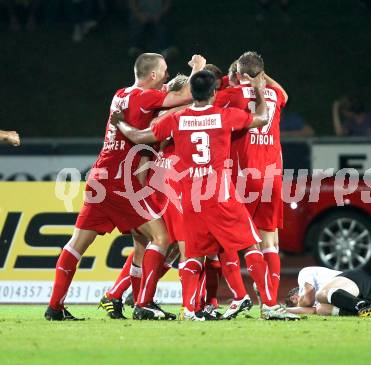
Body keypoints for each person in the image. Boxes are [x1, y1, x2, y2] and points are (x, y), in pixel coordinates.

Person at [111, 70, 299, 321]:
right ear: (213, 93)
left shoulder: (177, 118)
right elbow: (262, 118)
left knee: (191, 254)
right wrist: (256, 92)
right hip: (220, 195)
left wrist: (120, 122)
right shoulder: (224, 116)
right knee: (251, 246)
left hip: (190, 199)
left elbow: (139, 136)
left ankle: (189, 309)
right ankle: (269, 305)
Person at [44, 52, 206, 321]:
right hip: (122, 183)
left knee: (77, 245)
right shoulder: (145, 97)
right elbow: (186, 96)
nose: (166, 76)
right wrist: (198, 70)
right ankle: (143, 303)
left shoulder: (121, 94)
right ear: (152, 75)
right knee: (162, 238)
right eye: (164, 71)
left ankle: (55, 307)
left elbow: (166, 98)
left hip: (100, 176)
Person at [213, 51, 288, 308]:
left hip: (242, 176)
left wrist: (227, 79)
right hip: (271, 177)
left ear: (239, 75)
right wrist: (261, 77)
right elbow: (285, 93)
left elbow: (204, 99)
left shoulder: (232, 96)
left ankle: (239, 297)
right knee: (270, 241)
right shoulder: (275, 96)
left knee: (229, 238)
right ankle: (270, 300)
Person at [285, 266, 371, 317]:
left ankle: (365, 306)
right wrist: (283, 310)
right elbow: (312, 310)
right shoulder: (319, 304)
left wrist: (283, 309)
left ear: (294, 297)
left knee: (320, 295)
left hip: (355, 279)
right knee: (321, 309)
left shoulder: (304, 273)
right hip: (358, 296)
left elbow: (306, 300)